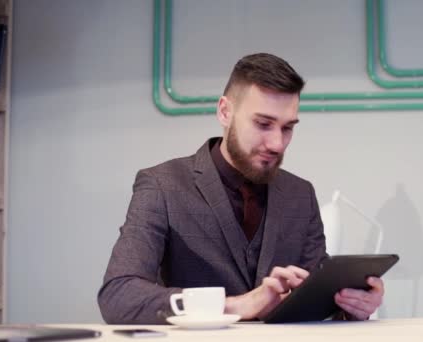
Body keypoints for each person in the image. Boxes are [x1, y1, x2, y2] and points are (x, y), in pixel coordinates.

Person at [97, 53, 384, 324]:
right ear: (225, 112)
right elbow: (119, 295)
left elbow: (315, 306)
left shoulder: (301, 195)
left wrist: (353, 307)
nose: (277, 144)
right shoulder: (162, 185)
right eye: (263, 124)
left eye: (288, 128)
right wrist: (234, 305)